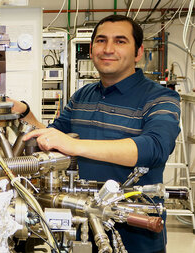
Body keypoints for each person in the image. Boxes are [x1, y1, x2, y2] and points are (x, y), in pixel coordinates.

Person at [13, 15, 180, 253]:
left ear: (138, 52)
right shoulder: (83, 96)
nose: (108, 49)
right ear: (91, 50)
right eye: (101, 41)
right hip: (82, 229)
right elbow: (53, 138)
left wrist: (75, 146)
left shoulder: (160, 97)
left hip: (136, 236)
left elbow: (155, 148)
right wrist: (25, 115)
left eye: (120, 41)